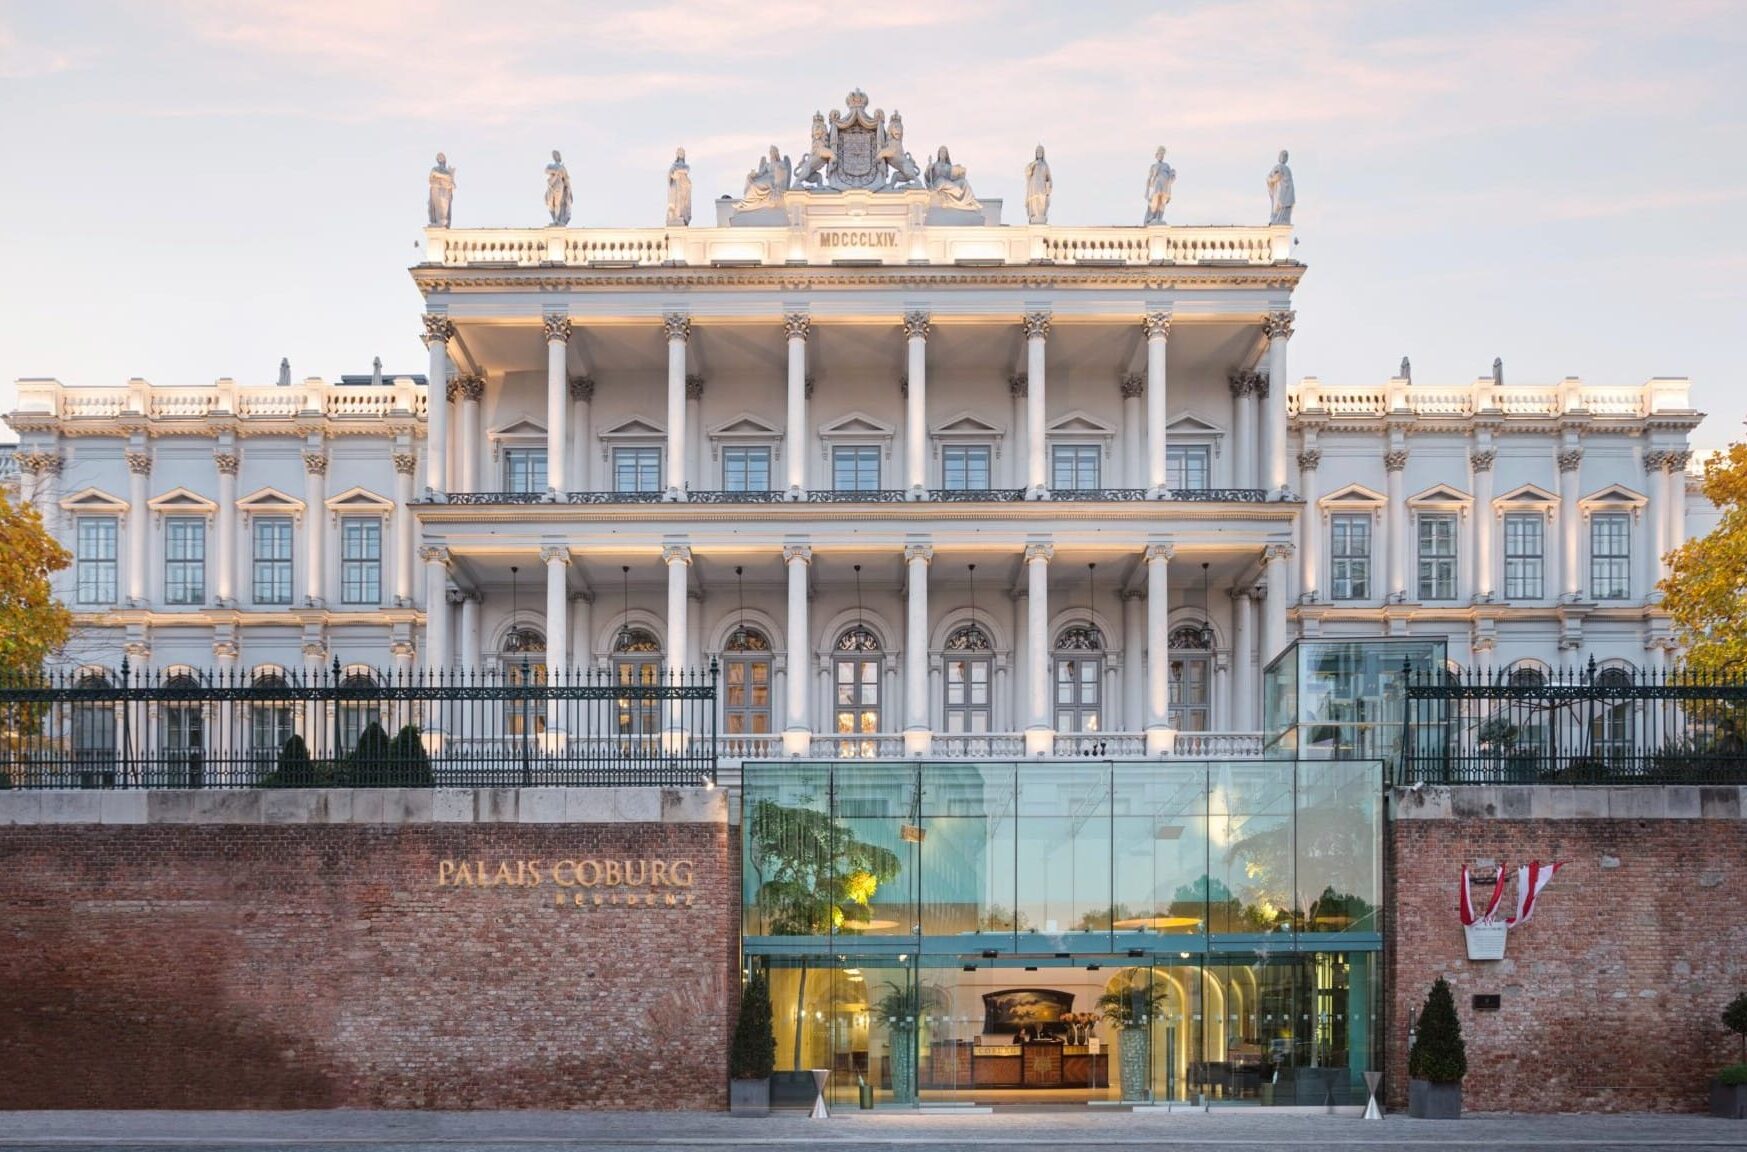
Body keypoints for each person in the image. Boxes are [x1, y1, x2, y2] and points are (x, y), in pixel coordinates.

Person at [1144, 146, 1175, 225]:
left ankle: (1159, 218)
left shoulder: (1167, 166)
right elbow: (1149, 180)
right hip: (1157, 184)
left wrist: (1173, 175)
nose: (1161, 156)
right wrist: (1147, 192)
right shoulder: (1153, 166)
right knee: (1155, 199)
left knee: (1163, 202)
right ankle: (1152, 217)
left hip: (1165, 185)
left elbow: (1171, 177)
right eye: (1160, 154)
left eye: (1162, 154)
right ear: (1156, 156)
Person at [1024, 144, 1052, 224]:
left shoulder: (1045, 165)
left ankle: (1041, 215)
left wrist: (1048, 185)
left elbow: (1049, 178)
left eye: (1041, 151)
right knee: (1034, 199)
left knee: (1042, 199)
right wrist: (1033, 164)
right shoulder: (1033, 164)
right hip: (1034, 186)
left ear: (1043, 153)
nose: (1039, 153)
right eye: (1038, 151)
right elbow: (1027, 172)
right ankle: (1034, 215)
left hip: (1042, 186)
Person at [1267, 149, 1294, 226]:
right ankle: (1278, 220)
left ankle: (1283, 220)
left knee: (1285, 207)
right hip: (1279, 191)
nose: (1284, 157)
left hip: (1287, 192)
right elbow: (1269, 178)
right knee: (1278, 206)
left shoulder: (1288, 170)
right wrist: (1274, 179)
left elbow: (1290, 183)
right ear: (1279, 157)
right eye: (1282, 155)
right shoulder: (1277, 167)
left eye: (1286, 156)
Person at [427, 152, 455, 228]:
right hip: (436, 189)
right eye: (439, 157)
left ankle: (443, 222)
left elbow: (451, 181)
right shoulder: (435, 168)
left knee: (444, 206)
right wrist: (446, 177)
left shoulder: (447, 171)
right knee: (437, 206)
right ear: (437, 160)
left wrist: (440, 175)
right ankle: (438, 222)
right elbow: (431, 177)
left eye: (442, 157)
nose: (441, 159)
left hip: (445, 190)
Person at [545, 150, 572, 226]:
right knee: (550, 202)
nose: (555, 156)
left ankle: (556, 219)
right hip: (551, 184)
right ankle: (555, 219)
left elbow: (566, 179)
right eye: (554, 155)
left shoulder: (562, 167)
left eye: (556, 155)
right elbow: (546, 171)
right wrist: (556, 171)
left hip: (559, 184)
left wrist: (569, 190)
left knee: (557, 202)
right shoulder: (551, 165)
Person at [666, 148, 692, 227]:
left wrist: (677, 171)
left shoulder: (686, 166)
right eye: (679, 152)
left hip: (684, 185)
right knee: (676, 200)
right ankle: (676, 216)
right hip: (676, 185)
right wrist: (674, 174)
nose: (681, 153)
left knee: (683, 202)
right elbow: (670, 174)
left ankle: (682, 216)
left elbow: (686, 170)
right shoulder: (673, 165)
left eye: (682, 152)